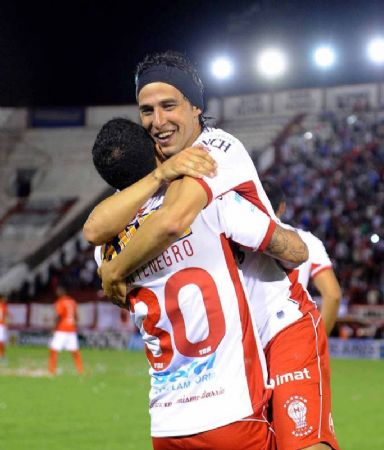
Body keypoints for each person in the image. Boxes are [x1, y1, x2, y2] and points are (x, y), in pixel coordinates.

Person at [89, 50, 339, 449]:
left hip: (276, 325)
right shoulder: (154, 178)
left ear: (196, 106)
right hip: (229, 358)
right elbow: (92, 227)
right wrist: (157, 177)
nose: (158, 121)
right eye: (147, 110)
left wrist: (114, 270)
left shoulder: (217, 147)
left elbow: (172, 220)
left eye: (169, 106)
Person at [90, 117, 294, 449]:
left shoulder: (105, 253)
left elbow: (95, 228)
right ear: (154, 149)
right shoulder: (206, 201)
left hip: (168, 422)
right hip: (232, 409)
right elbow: (290, 250)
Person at [263, 180, 342, 335]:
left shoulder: (233, 236)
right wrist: (319, 340)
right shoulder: (308, 241)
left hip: (243, 337)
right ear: (282, 207)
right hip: (289, 334)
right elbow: (333, 295)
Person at [49, 285, 84, 375]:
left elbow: (58, 316)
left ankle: (52, 370)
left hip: (62, 329)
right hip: (71, 329)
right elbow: (77, 316)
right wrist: (74, 323)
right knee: (75, 351)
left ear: (61, 292)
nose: (56, 293)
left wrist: (54, 327)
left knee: (54, 349)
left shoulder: (60, 302)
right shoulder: (72, 301)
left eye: (57, 291)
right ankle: (80, 370)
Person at [0, 294, 8, 363]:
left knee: (2, 341)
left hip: (2, 325)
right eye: (4, 298)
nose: (6, 299)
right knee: (2, 341)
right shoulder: (3, 306)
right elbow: (5, 316)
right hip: (1, 325)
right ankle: (2, 356)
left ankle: (2, 356)